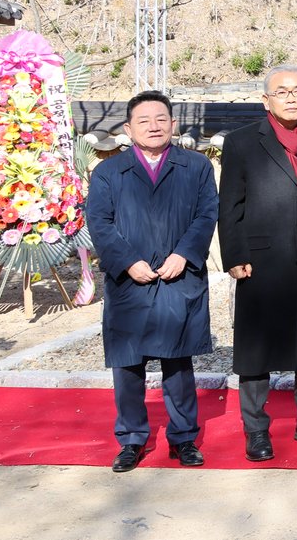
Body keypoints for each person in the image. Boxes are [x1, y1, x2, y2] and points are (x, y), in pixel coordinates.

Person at [87, 90, 218, 473]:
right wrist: (127, 262)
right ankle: (131, 440)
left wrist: (184, 254)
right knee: (128, 366)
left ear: (173, 124)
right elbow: (100, 222)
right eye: (144, 121)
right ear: (128, 128)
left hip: (179, 276)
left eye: (161, 119)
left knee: (178, 363)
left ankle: (184, 438)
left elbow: (207, 212)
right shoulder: (109, 171)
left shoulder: (195, 167)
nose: (154, 126)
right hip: (130, 281)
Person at [218, 65, 297, 462]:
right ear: (265, 99)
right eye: (281, 91)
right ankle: (255, 429)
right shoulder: (241, 142)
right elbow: (230, 205)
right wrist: (234, 255)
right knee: (256, 349)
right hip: (261, 261)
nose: (291, 97)